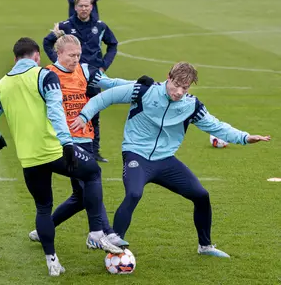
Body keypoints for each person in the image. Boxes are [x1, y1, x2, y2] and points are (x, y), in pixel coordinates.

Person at [71, 62, 271, 258]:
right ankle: (113, 240)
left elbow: (216, 126)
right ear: (168, 77)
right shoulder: (143, 91)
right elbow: (105, 98)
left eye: (184, 88)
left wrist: (244, 137)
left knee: (201, 196)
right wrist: (84, 115)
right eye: (176, 85)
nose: (179, 92)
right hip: (136, 154)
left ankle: (205, 246)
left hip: (165, 161)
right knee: (133, 193)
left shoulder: (191, 105)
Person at [0, 37, 123, 277]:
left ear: (14, 58)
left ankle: (52, 262)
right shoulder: (44, 76)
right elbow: (55, 109)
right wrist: (67, 142)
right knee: (93, 172)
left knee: (43, 207)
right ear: (37, 56)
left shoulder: (1, 85)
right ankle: (95, 233)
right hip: (55, 151)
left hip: (29, 159)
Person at [27, 32, 134, 247]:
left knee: (81, 196)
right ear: (58, 54)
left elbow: (110, 83)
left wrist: (139, 85)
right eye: (71, 55)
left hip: (85, 136)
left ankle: (43, 230)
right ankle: (107, 233)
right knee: (88, 185)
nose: (76, 59)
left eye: (78, 55)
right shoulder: (46, 74)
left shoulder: (85, 71)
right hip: (62, 140)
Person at [44, 0, 118, 162]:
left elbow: (113, 45)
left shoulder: (100, 26)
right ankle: (63, 146)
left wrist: (103, 66)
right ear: (75, 7)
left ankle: (94, 150)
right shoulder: (65, 26)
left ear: (92, 7)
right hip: (70, 78)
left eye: (87, 6)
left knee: (94, 113)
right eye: (81, 6)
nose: (84, 9)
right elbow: (47, 42)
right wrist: (58, 62)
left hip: (92, 77)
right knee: (66, 111)